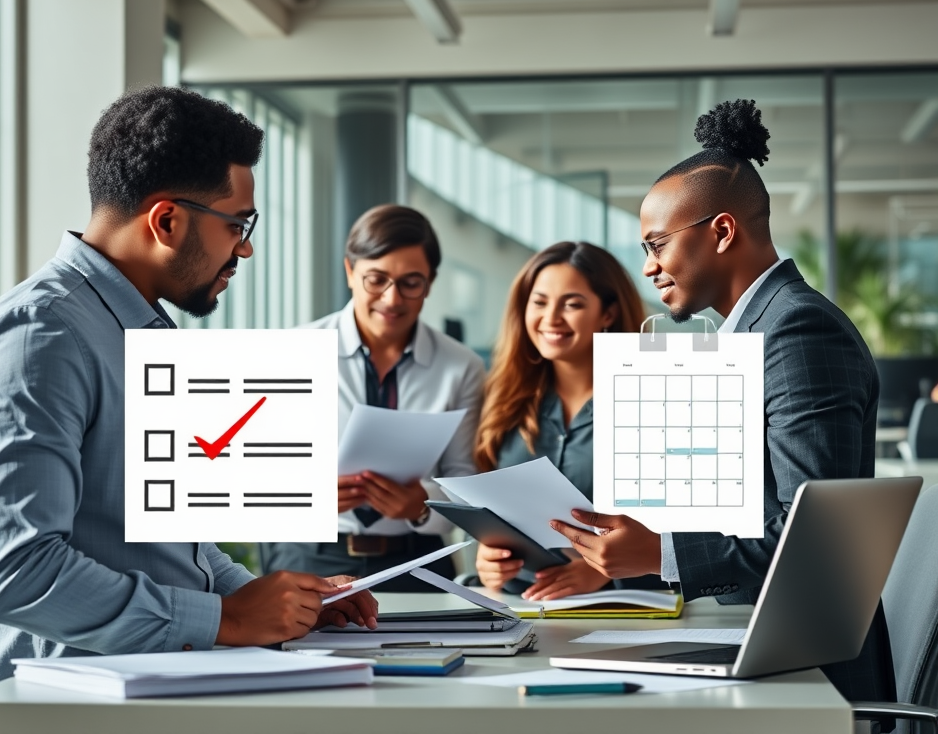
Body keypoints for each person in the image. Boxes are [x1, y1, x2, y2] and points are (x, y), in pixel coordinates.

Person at [0, 86, 376, 691]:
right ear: (167, 220)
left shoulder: (144, 331)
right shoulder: (39, 337)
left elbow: (178, 552)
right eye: (238, 224)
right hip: (68, 702)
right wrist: (226, 618)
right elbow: (18, 574)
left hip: (164, 680)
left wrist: (269, 602)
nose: (246, 247)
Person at [548, 99, 896, 706]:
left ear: (723, 230)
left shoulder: (798, 330)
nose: (649, 266)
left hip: (806, 673)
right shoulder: (741, 335)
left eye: (657, 243)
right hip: (744, 638)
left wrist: (659, 549)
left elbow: (812, 541)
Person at [261, 204, 486, 591]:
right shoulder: (293, 350)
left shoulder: (460, 366)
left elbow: (466, 479)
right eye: (376, 279)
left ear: (430, 282)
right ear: (350, 272)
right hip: (309, 553)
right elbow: (251, 466)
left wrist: (421, 504)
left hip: (418, 560)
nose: (392, 299)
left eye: (410, 282)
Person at [473, 242, 667, 599]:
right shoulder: (505, 400)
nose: (551, 319)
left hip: (622, 607)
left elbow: (680, 528)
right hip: (518, 605)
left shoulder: (652, 398)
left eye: (573, 304)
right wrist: (488, 563)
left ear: (607, 313)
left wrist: (603, 573)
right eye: (540, 302)